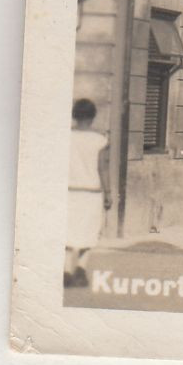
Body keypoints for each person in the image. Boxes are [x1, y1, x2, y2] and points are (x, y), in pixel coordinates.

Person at [66, 98, 111, 287]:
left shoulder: (66, 136)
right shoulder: (99, 140)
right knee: (89, 231)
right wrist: (108, 193)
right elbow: (102, 168)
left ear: (74, 115)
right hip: (91, 192)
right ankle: (81, 270)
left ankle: (67, 270)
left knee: (68, 231)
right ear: (93, 117)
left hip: (69, 191)